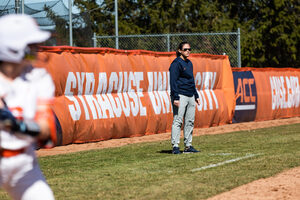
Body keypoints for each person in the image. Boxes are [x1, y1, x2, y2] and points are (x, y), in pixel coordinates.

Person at [0, 14, 56, 200]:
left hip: (24, 163)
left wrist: (15, 124)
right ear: (13, 48)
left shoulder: (39, 79)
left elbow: (46, 129)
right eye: (31, 45)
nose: (37, 49)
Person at [169, 41, 201, 154]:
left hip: (190, 95)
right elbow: (173, 81)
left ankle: (188, 146)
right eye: (186, 49)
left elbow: (191, 80)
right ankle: (175, 146)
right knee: (178, 121)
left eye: (189, 49)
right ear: (180, 50)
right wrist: (175, 97)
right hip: (180, 95)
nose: (188, 51)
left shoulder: (189, 63)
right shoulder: (176, 63)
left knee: (190, 121)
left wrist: (196, 95)